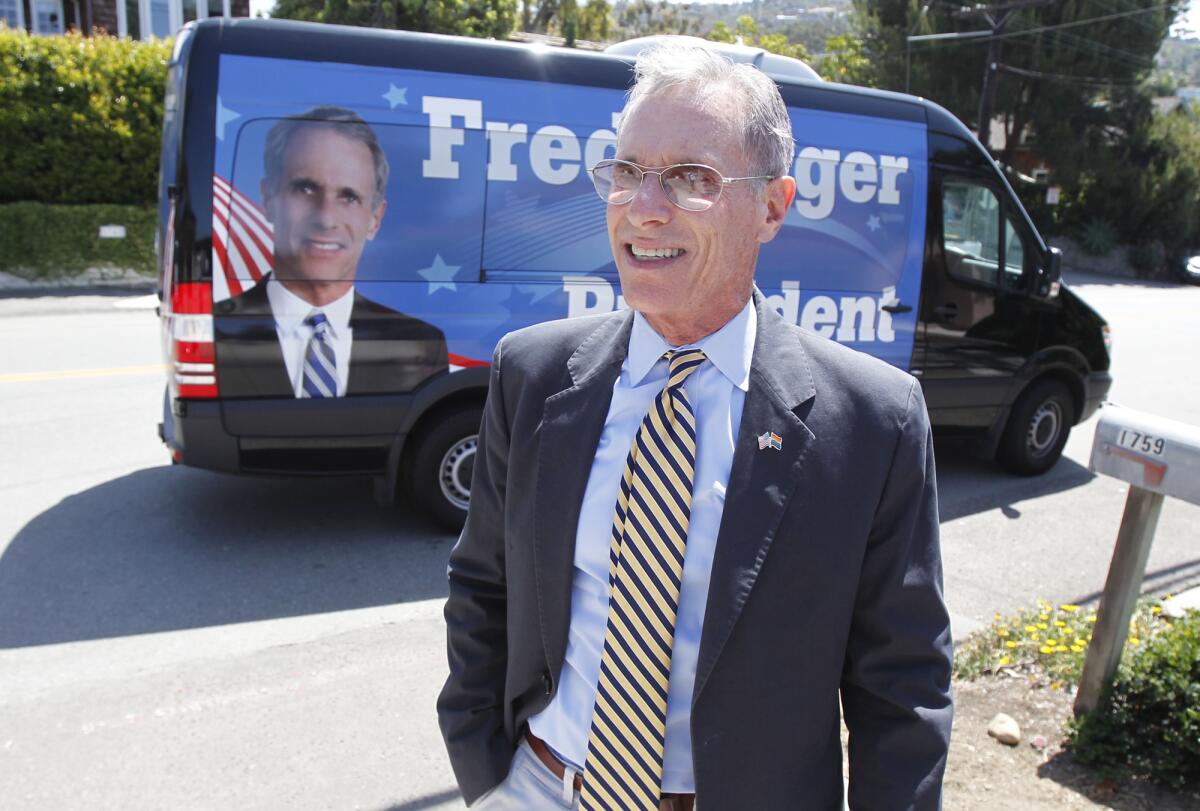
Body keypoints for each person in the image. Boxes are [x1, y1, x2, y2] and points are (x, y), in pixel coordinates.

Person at [438, 43, 953, 810]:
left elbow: (903, 690)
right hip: (542, 787)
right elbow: (485, 588)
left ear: (773, 206)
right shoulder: (532, 373)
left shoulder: (874, 421)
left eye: (691, 178)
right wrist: (489, 775)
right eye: (626, 170)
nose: (644, 206)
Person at [215, 106, 447, 398]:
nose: (326, 218)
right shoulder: (214, 332)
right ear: (268, 197)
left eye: (348, 197)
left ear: (375, 218)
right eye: (306, 189)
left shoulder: (421, 344)